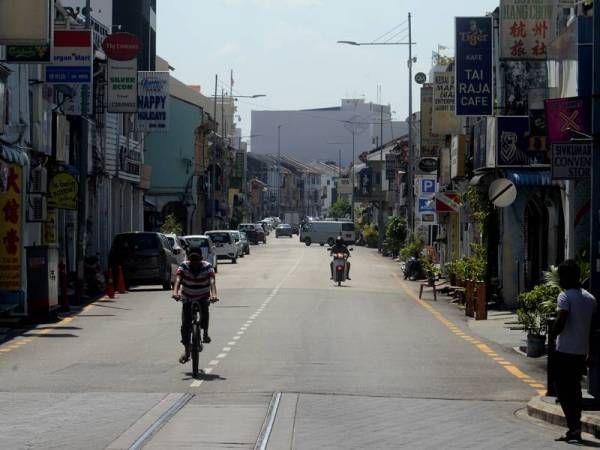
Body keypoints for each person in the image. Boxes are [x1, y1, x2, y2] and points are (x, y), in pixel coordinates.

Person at [551, 260, 596, 443]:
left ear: (568, 277)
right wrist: (591, 353)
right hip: (580, 352)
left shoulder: (565, 297)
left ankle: (573, 428)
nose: (560, 280)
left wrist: (551, 335)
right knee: (575, 391)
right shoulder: (590, 299)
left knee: (562, 391)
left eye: (561, 276)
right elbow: (593, 330)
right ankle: (575, 428)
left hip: (565, 351)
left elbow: (561, 320)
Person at [172, 251, 218, 364]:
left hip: (203, 295)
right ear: (189, 259)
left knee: (205, 311)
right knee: (185, 325)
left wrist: (214, 295)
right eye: (192, 260)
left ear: (201, 259)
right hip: (187, 296)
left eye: (197, 260)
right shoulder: (183, 266)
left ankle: (205, 333)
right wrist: (175, 292)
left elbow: (212, 282)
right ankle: (187, 351)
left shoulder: (208, 267)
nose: (194, 263)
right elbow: (178, 280)